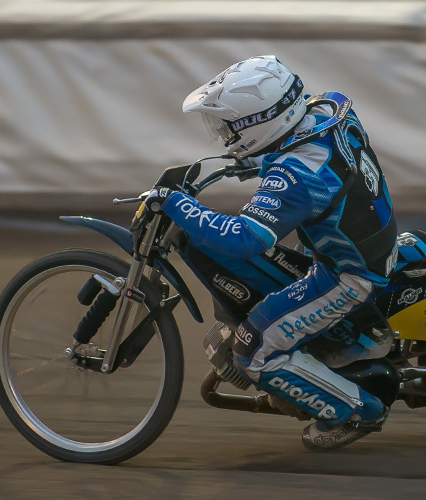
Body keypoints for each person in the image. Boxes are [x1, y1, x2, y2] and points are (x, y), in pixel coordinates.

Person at [145, 55, 398, 450]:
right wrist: (248, 164)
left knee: (253, 349)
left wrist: (176, 204)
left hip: (348, 276)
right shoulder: (330, 109)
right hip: (370, 240)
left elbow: (244, 239)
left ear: (259, 120)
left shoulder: (296, 177)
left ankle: (357, 411)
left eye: (228, 127)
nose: (223, 136)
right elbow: (295, 150)